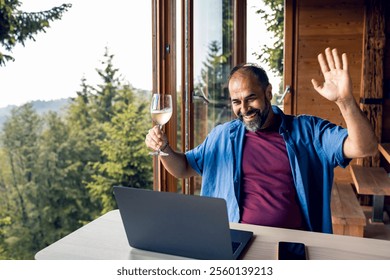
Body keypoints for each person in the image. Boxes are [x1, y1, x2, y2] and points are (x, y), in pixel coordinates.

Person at [145, 47, 377, 233]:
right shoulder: (222, 136)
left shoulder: (308, 131)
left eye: (251, 98)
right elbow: (184, 167)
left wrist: (345, 101)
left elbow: (364, 147)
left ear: (268, 93)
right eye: (236, 101)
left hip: (291, 248)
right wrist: (164, 148)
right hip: (232, 242)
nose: (244, 109)